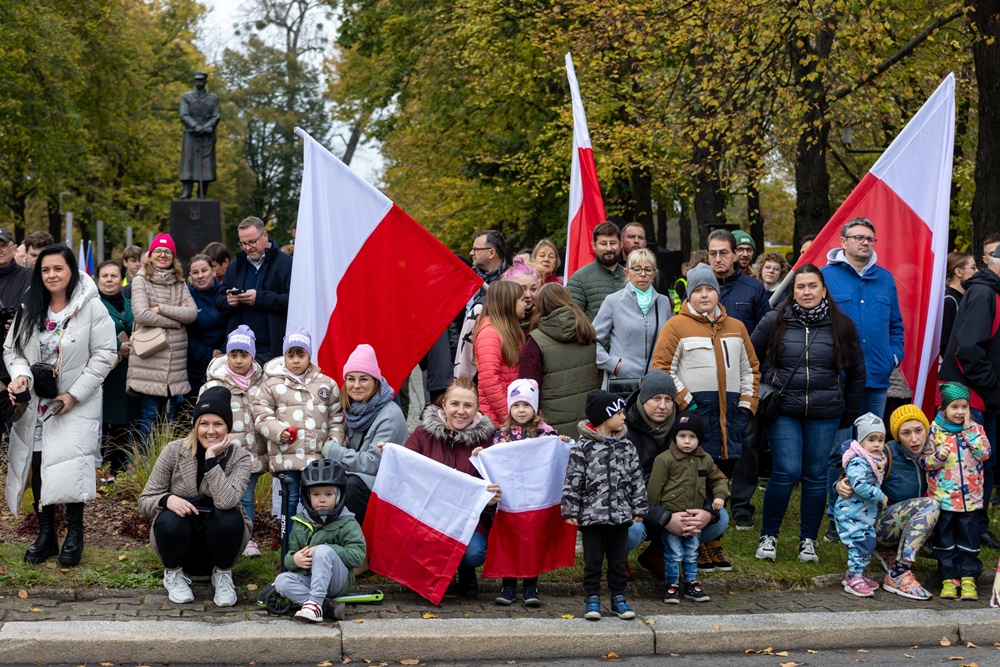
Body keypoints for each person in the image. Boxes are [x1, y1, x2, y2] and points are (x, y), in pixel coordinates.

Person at [5, 246, 117, 566]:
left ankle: (75, 534)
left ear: (71, 271)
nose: (51, 275)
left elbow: (105, 355)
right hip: (37, 403)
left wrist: (73, 395)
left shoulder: (91, 307)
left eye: (58, 269)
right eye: (45, 270)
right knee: (40, 464)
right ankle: (47, 534)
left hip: (75, 402)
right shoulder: (30, 306)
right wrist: (22, 376)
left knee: (72, 466)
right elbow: (13, 351)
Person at [750, 265, 866, 564]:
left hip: (825, 412)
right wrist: (762, 389)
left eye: (813, 286)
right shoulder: (774, 320)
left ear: (823, 290)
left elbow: (856, 373)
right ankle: (769, 536)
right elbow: (748, 359)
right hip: (783, 410)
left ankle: (808, 541)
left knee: (815, 475)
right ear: (793, 291)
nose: (807, 292)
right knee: (787, 471)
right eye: (800, 286)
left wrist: (848, 414)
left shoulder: (842, 325)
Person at [822, 217, 904, 541]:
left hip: (876, 379)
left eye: (870, 238)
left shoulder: (885, 279)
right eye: (858, 237)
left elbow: (896, 325)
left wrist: (893, 357)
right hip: (840, 380)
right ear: (843, 241)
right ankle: (835, 516)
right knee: (839, 451)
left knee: (872, 450)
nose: (865, 242)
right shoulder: (826, 277)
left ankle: (865, 513)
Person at [138, 387, 251, 606]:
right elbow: (145, 500)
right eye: (204, 423)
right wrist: (167, 500)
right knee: (170, 519)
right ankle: (173, 574)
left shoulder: (240, 458)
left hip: (221, 544)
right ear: (195, 425)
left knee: (228, 517)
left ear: (227, 427)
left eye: (218, 424)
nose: (211, 431)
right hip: (180, 543)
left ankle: (223, 575)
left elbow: (226, 502)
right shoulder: (174, 450)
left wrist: (211, 460)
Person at [652, 263, 759, 473]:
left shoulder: (737, 327)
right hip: (694, 414)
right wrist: (688, 403)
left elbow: (750, 370)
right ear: (689, 295)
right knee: (695, 474)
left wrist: (746, 406)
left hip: (732, 415)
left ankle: (731, 496)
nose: (704, 295)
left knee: (727, 473)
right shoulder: (675, 326)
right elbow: (662, 369)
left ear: (717, 292)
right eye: (697, 290)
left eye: (709, 289)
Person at [624, 370, 731, 577]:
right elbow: (624, 488)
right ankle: (618, 558)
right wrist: (664, 517)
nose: (662, 406)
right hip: (637, 506)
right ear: (642, 399)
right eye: (656, 398)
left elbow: (705, 470)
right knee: (631, 529)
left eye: (668, 399)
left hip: (676, 504)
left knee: (720, 519)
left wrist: (707, 511)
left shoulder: (685, 427)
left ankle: (657, 554)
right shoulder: (623, 428)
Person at [403, 377, 500, 597]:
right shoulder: (422, 434)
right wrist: (391, 454)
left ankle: (465, 570)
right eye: (455, 404)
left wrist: (492, 500)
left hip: (469, 520)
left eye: (468, 405)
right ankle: (429, 573)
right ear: (444, 404)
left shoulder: (488, 442)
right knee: (416, 540)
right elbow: (405, 470)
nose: (461, 411)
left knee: (474, 552)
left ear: (477, 408)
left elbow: (497, 484)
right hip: (429, 516)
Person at [936, 245, 1000, 549]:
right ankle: (960, 534)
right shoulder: (984, 293)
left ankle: (976, 528)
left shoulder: (990, 291)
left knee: (985, 462)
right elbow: (968, 349)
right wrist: (993, 387)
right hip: (969, 394)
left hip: (982, 392)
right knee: (963, 465)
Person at [562, 390, 645, 621]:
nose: (624, 417)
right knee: (593, 561)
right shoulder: (582, 448)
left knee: (618, 561)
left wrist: (639, 507)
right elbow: (573, 480)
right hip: (592, 518)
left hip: (620, 516)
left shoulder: (627, 446)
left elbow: (637, 479)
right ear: (604, 417)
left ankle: (618, 597)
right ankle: (592, 598)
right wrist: (569, 509)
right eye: (619, 413)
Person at [706, 230, 769, 531]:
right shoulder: (700, 288)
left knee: (746, 442)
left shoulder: (754, 289)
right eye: (713, 253)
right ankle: (710, 500)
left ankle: (742, 506)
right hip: (706, 378)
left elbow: (769, 332)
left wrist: (757, 375)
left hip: (742, 378)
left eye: (723, 253)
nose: (718, 258)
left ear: (735, 255)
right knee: (709, 440)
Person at [485, 378, 565, 607]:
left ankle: (531, 586)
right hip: (510, 501)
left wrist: (561, 443)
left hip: (535, 498)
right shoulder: (502, 434)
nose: (521, 410)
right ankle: (508, 586)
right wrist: (482, 454)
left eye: (527, 405)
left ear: (535, 408)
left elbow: (553, 455)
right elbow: (494, 458)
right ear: (509, 408)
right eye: (516, 405)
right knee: (509, 540)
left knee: (533, 539)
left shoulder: (546, 434)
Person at [255, 328, 344, 516]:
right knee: (291, 499)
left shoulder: (327, 384)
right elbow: (262, 415)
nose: (296, 360)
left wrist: (333, 443)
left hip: (318, 457)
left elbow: (336, 418)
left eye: (301, 355)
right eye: (291, 355)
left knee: (315, 501)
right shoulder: (271, 385)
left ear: (309, 356)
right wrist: (279, 431)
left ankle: (313, 533)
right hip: (287, 455)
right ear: (284, 357)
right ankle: (288, 533)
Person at [323, 344, 407, 528]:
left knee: (352, 485)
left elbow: (373, 463)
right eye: (351, 379)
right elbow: (352, 447)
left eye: (363, 379)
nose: (356, 385)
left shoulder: (389, 415)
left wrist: (335, 452)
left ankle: (362, 539)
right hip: (368, 481)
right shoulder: (356, 409)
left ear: (375, 381)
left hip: (389, 488)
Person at [272, 460, 366, 623]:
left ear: (339, 495)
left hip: (336, 582)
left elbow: (357, 557)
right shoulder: (300, 522)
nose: (322, 500)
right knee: (281, 581)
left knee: (322, 551)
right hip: (309, 580)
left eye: (328, 494)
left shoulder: (348, 523)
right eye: (316, 494)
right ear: (308, 496)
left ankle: (315, 603)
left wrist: (327, 549)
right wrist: (294, 560)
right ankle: (327, 606)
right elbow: (289, 557)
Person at [647, 412, 726, 604]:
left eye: (692, 437)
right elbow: (653, 491)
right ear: (674, 437)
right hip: (672, 518)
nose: (687, 441)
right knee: (673, 553)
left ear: (700, 439)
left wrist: (719, 496)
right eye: (682, 436)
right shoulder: (664, 459)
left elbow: (718, 480)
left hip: (694, 519)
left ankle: (692, 583)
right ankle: (672, 585)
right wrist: (660, 518)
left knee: (692, 552)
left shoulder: (705, 459)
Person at [922, 382, 991, 601]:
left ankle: (969, 577)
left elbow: (985, 453)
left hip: (970, 498)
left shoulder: (976, 429)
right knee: (946, 539)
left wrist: (969, 431)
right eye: (954, 407)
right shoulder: (934, 431)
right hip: (943, 498)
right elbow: (924, 462)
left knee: (969, 539)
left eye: (964, 407)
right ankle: (948, 577)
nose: (960, 412)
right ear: (944, 409)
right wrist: (937, 457)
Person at [201, 325, 266, 557]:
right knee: (219, 495)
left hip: (250, 454)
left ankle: (246, 539)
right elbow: (201, 419)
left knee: (246, 497)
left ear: (252, 356)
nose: (238, 360)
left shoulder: (263, 384)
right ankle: (218, 535)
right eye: (234, 354)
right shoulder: (214, 384)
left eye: (244, 355)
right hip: (222, 453)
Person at [127, 233, 198, 443]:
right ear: (150, 255)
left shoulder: (180, 283)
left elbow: (192, 314)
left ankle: (168, 462)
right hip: (150, 362)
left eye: (167, 251)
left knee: (170, 421)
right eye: (158, 250)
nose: (162, 255)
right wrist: (176, 319)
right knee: (149, 419)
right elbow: (142, 315)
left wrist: (160, 308)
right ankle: (146, 462)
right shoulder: (140, 280)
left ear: (173, 257)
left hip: (174, 366)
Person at [519, 284, 600, 438]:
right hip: (587, 419)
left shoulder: (535, 340)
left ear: (540, 305)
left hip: (551, 425)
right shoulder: (587, 331)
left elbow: (528, 388)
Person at [593, 248, 672, 395]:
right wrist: (615, 365)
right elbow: (591, 342)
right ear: (627, 273)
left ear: (655, 274)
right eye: (636, 269)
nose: (642, 274)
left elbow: (670, 342)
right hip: (622, 383)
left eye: (648, 269)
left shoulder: (663, 302)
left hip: (654, 385)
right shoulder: (613, 301)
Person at [216, 216, 293, 365]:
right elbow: (218, 300)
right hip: (239, 351)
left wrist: (260, 298)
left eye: (252, 242)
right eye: (243, 243)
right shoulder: (234, 266)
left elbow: (293, 302)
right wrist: (229, 301)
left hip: (272, 349)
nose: (247, 248)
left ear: (265, 235)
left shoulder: (286, 263)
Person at [834, 413, 888, 597]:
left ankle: (857, 574)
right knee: (859, 545)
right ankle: (853, 578)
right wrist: (880, 495)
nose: (877, 444)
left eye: (880, 440)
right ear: (861, 441)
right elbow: (859, 485)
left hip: (863, 514)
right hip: (850, 513)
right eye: (871, 439)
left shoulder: (874, 458)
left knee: (868, 543)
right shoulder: (858, 461)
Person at [96, 259, 141, 475]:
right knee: (106, 423)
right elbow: (89, 334)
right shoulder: (93, 305)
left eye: (114, 275)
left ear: (121, 278)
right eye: (104, 276)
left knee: (124, 424)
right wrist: (117, 346)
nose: (109, 280)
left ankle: (120, 470)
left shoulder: (131, 304)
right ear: (97, 279)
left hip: (130, 372)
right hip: (106, 374)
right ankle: (105, 470)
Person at [455, 229, 508, 378]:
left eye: (476, 249)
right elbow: (455, 318)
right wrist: (456, 351)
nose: (471, 253)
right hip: (464, 359)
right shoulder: (469, 280)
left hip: (495, 360)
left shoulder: (512, 282)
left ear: (491, 253)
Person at [472, 280, 526, 425]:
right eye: (521, 300)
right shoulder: (490, 334)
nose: (525, 303)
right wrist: (508, 417)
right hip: (496, 420)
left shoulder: (509, 330)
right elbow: (489, 381)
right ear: (509, 303)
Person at [186, 253, 227, 399]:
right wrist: (209, 354)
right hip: (198, 367)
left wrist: (224, 351)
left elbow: (234, 324)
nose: (200, 276)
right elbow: (185, 335)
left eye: (204, 270)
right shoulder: (186, 299)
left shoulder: (226, 294)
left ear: (213, 271)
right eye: (195, 272)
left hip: (228, 362)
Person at [567, 221, 626, 321]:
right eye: (603, 244)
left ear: (620, 244)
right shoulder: (579, 278)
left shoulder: (631, 276)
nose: (608, 248)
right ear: (594, 245)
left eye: (613, 243)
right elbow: (572, 319)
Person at [179, 72, 221, 199]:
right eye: (197, 80)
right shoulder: (186, 97)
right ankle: (187, 191)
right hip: (191, 135)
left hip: (207, 136)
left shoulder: (213, 99)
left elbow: (216, 116)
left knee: (206, 164)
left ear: (205, 81)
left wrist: (207, 127)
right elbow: (184, 114)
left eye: (201, 80)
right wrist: (195, 126)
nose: (199, 82)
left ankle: (202, 193)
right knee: (188, 162)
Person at [0, 227, 31, 382]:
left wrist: (19, 323)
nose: (0, 250)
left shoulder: (30, 278)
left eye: (3, 245)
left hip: (18, 363)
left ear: (15, 248)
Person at [940, 251, 976, 358]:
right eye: (973, 268)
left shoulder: (962, 297)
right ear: (959, 272)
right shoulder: (949, 301)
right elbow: (944, 342)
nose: (977, 271)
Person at [502, 259, 541, 325]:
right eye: (522, 289)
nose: (528, 295)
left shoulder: (543, 316)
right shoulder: (498, 319)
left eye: (533, 289)